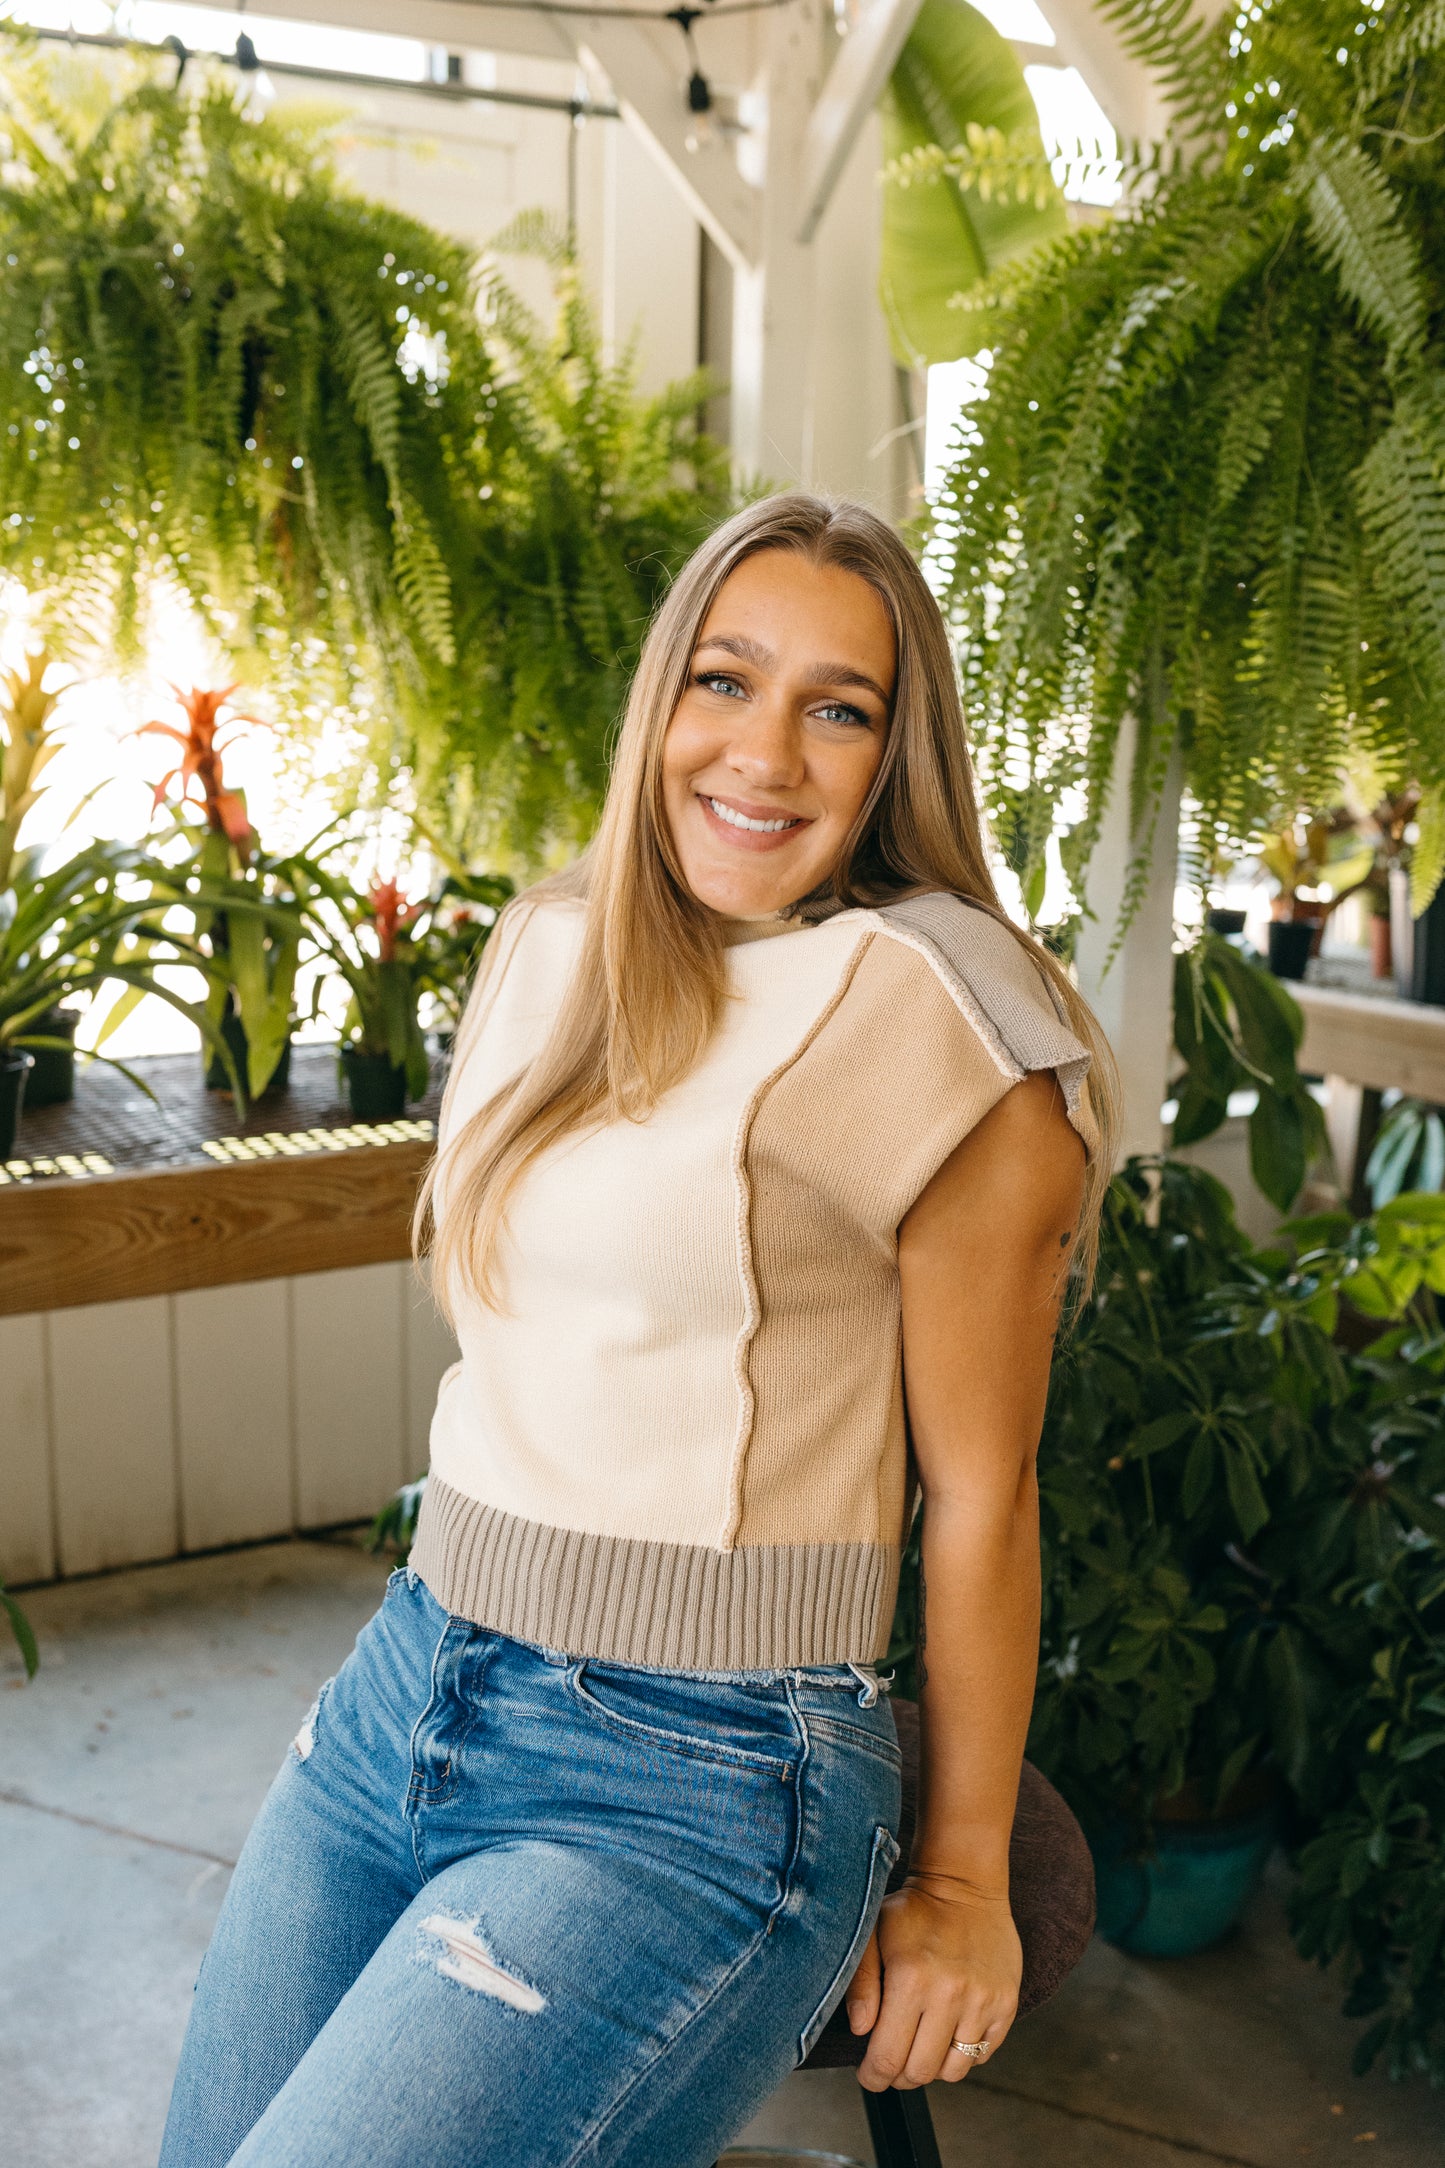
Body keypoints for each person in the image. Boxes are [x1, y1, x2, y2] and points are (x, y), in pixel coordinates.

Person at [159, 492, 1116, 2168]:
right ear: (660, 700)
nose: (763, 753)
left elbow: (983, 1493)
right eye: (723, 682)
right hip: (410, 1678)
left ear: (894, 759)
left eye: (841, 709)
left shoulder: (935, 1018)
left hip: (698, 1771)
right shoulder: (547, 946)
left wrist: (961, 1880)